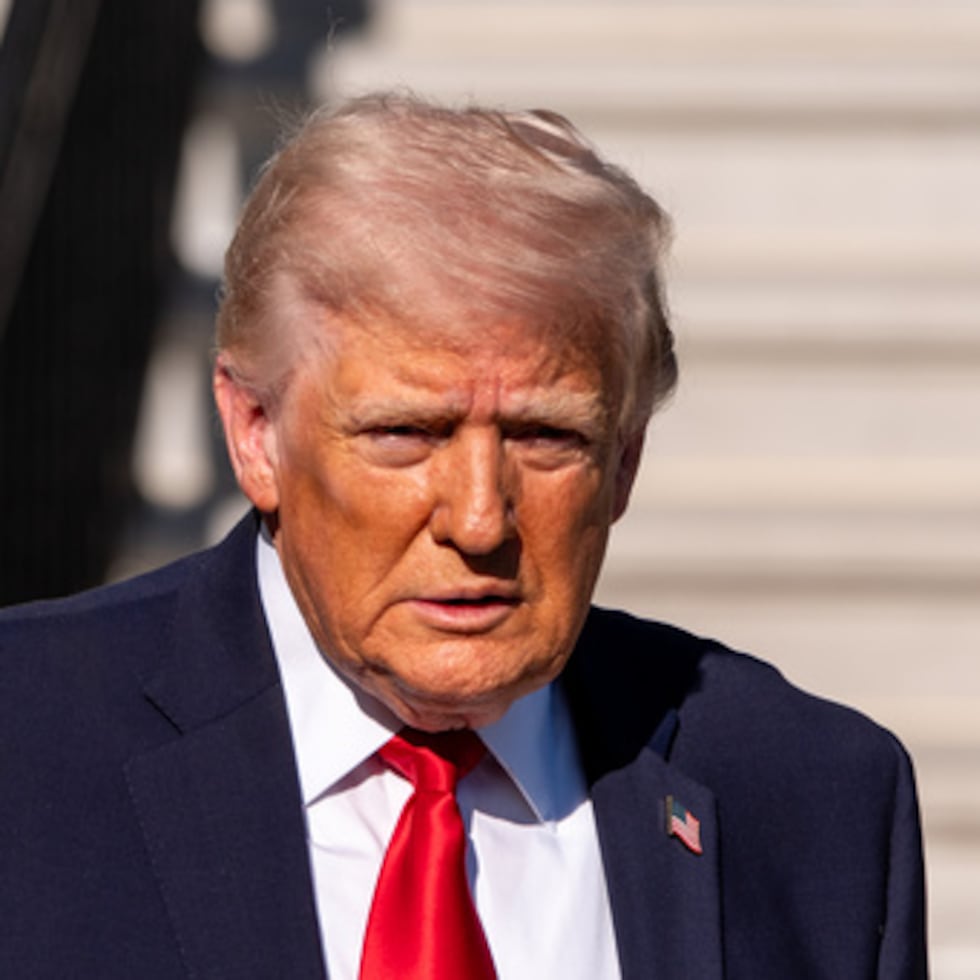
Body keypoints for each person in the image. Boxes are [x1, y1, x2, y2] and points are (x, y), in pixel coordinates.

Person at [0, 92, 926, 979]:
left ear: (627, 462)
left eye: (546, 437)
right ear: (254, 434)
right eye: (407, 434)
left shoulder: (817, 799)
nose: (479, 520)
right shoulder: (28, 741)